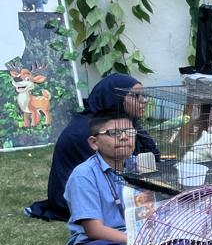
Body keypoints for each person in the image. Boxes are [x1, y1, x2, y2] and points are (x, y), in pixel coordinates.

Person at [25, 73, 157, 222]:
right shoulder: (87, 131)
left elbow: (151, 156)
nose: (143, 101)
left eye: (143, 96)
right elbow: (108, 177)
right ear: (115, 97)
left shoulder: (123, 122)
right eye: (136, 96)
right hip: (77, 201)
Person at [63, 114, 134, 245]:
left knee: (192, 243)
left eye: (130, 131)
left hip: (140, 237)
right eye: (114, 133)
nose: (124, 137)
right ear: (94, 143)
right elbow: (94, 230)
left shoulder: (141, 166)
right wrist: (138, 242)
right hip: (99, 241)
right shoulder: (83, 175)